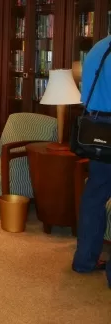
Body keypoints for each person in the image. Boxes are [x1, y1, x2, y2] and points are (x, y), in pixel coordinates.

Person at [72, 34, 111, 289]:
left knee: (95, 196)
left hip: (98, 133)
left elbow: (85, 95)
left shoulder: (98, 48)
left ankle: (84, 260)